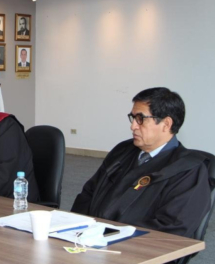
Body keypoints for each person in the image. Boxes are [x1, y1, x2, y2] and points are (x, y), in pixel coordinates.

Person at [71, 87, 211, 238]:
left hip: (135, 250)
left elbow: (172, 227)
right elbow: (88, 194)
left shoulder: (188, 170)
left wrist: (111, 237)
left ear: (166, 124)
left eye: (141, 119)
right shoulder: (123, 151)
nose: (133, 126)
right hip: (88, 239)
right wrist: (76, 228)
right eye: (133, 118)